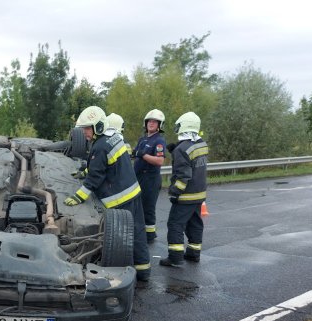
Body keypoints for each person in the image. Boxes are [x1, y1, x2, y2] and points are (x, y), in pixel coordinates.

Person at [65, 106, 151, 282]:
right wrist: (85, 171)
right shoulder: (113, 138)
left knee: (122, 236)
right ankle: (144, 271)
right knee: (138, 231)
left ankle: (125, 275)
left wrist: (78, 196)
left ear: (97, 127)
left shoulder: (100, 146)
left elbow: (95, 177)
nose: (84, 133)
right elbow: (103, 165)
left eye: (87, 129)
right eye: (83, 129)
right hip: (133, 193)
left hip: (120, 199)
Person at [160, 111, 208, 267]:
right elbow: (193, 162)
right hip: (199, 194)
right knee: (195, 223)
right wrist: (176, 150)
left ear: (183, 126)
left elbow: (184, 176)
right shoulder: (201, 144)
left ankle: (175, 257)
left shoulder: (182, 150)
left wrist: (175, 192)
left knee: (175, 224)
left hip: (186, 196)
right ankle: (194, 253)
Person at [133, 109, 166, 243]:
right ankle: (141, 233)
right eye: (149, 121)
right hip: (138, 178)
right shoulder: (143, 139)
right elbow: (136, 154)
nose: (151, 124)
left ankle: (149, 237)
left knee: (148, 208)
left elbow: (160, 161)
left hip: (150, 179)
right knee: (138, 207)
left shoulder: (159, 141)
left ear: (159, 125)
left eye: (155, 122)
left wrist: (143, 155)